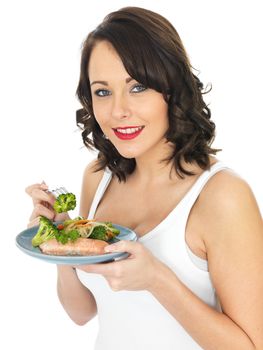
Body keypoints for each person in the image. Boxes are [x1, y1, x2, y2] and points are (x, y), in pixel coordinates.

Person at [25, 6, 263, 350]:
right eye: (103, 92)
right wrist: (62, 241)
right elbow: (81, 312)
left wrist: (158, 280)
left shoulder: (222, 196)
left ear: (171, 89)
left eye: (137, 87)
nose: (118, 110)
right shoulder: (98, 178)